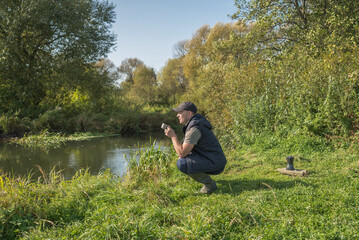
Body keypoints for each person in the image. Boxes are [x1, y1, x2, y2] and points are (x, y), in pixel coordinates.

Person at [164, 101, 227, 194]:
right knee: (184, 158)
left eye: (180, 112)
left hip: (216, 163)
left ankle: (210, 185)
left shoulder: (195, 128)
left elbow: (181, 152)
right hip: (215, 159)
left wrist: (173, 136)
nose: (177, 115)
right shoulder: (195, 123)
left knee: (182, 163)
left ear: (189, 113)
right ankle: (206, 179)